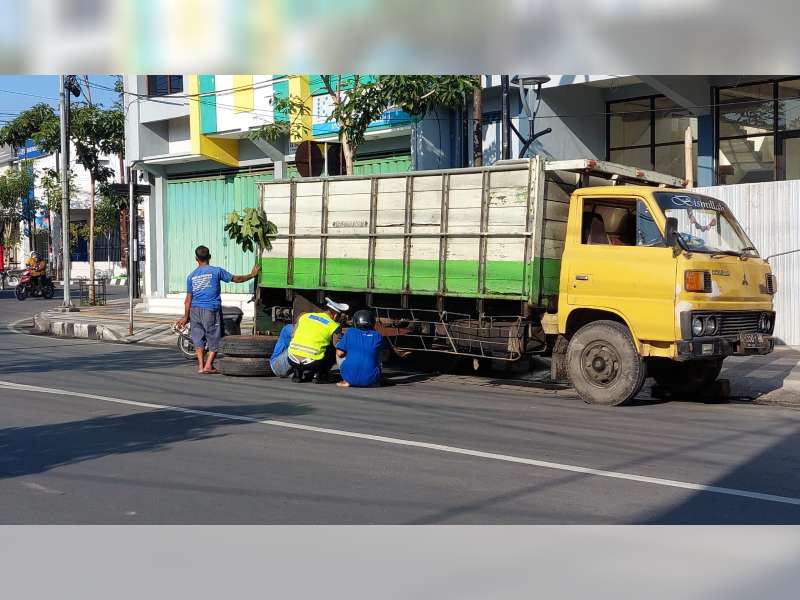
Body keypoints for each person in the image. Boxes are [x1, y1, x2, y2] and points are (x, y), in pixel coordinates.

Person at [175, 245, 259, 374]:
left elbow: (188, 300)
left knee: (198, 338)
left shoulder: (191, 276)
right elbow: (236, 279)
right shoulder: (216, 271)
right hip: (210, 309)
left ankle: (201, 366)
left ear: (196, 259)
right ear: (209, 257)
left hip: (194, 310)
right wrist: (252, 275)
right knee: (215, 337)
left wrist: (186, 317)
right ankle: (208, 365)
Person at [287, 297, 349, 383]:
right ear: (335, 315)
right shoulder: (334, 325)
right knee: (332, 348)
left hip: (291, 359)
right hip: (312, 363)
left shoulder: (304, 316)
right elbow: (338, 346)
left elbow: (293, 335)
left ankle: (297, 374)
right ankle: (320, 376)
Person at [336, 309, 387, 388]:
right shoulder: (378, 335)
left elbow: (340, 353)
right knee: (379, 353)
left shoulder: (350, 332)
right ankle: (374, 381)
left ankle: (346, 380)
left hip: (350, 379)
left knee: (339, 348)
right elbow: (385, 357)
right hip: (371, 381)